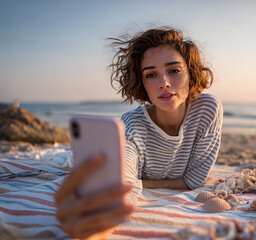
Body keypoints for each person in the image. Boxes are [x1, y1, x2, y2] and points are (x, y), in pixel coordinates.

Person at [54, 26, 223, 239]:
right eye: (151, 74)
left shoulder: (207, 109)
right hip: (86, 159)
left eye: (174, 70)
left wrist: (140, 181)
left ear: (191, 73)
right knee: (68, 160)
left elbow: (194, 179)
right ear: (142, 84)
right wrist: (99, 222)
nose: (164, 83)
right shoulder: (132, 127)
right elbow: (123, 186)